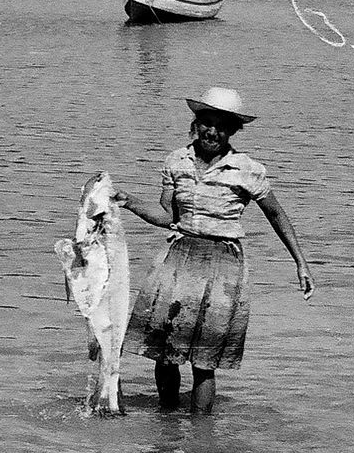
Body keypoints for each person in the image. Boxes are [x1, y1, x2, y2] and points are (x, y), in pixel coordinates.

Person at [114, 87, 314, 411]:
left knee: (203, 363)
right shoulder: (176, 161)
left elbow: (277, 214)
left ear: (233, 130)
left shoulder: (247, 169)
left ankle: (200, 441)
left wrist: (300, 263)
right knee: (165, 355)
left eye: (221, 125)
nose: (212, 131)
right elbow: (168, 217)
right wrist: (129, 202)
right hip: (178, 259)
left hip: (223, 266)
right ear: (196, 123)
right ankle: (167, 430)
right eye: (206, 122)